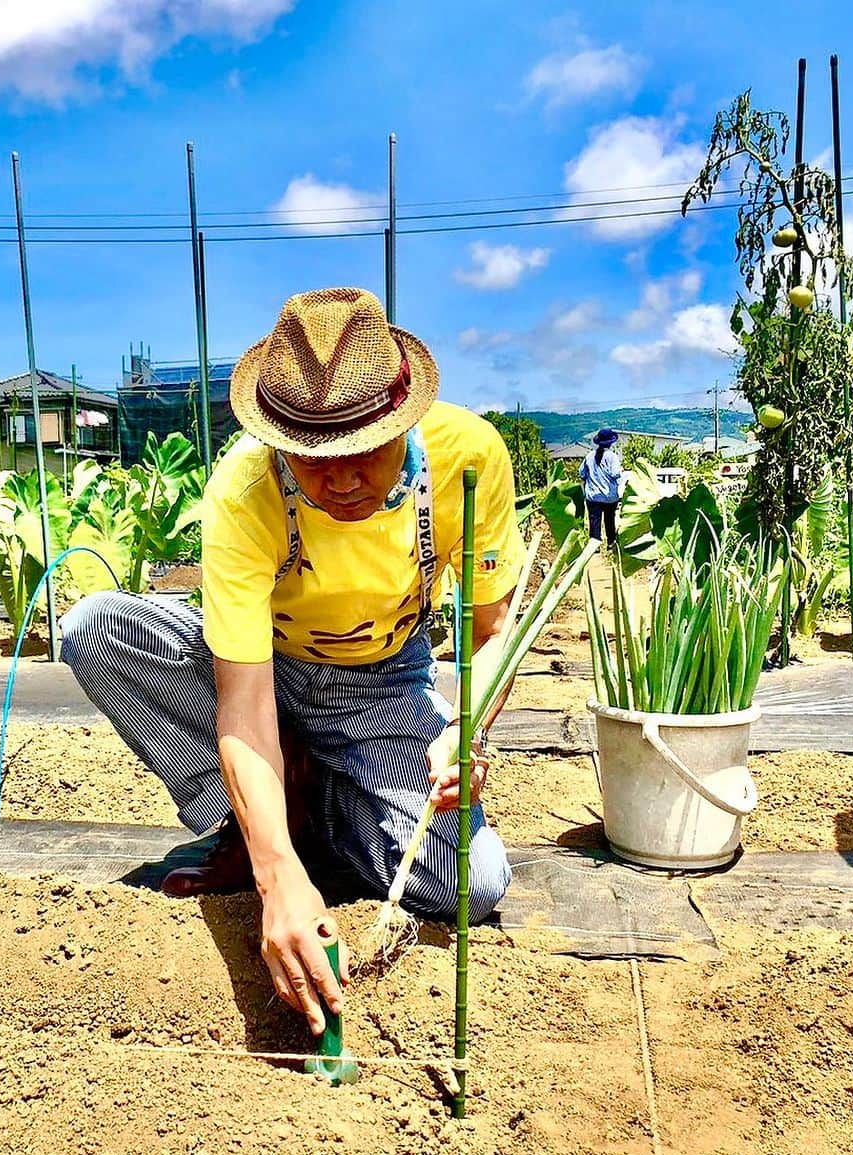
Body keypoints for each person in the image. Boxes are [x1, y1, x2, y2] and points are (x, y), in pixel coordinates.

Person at [60, 287, 526, 1035]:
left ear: (401, 419)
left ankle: (319, 804)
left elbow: (492, 629)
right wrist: (276, 883)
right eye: (310, 458)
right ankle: (264, 831)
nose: (338, 479)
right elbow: (241, 702)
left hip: (381, 681)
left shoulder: (468, 459)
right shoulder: (245, 486)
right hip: (265, 668)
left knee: (469, 884)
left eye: (359, 453)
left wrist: (464, 727)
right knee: (95, 629)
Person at [579, 428, 622, 548]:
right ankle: (610, 542)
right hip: (609, 497)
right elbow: (615, 473)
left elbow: (582, 474)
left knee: (594, 522)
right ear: (610, 443)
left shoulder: (589, 456)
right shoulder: (612, 457)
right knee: (609, 520)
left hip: (593, 496)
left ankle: (595, 546)